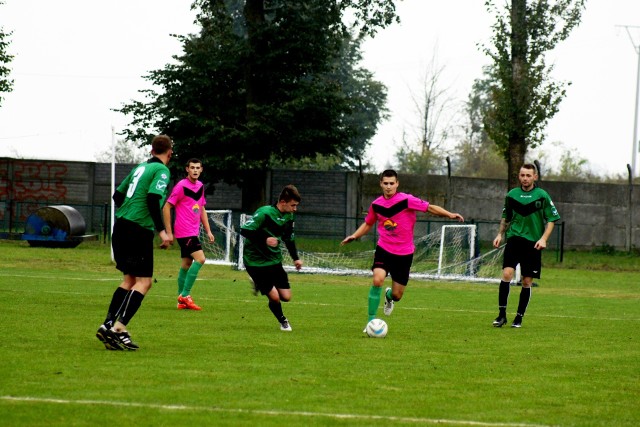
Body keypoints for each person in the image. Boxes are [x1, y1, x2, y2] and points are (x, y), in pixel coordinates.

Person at [341, 169, 464, 331]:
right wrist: (354, 236)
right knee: (377, 279)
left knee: (398, 295)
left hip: (404, 253)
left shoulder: (406, 200)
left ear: (397, 184)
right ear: (381, 184)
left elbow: (430, 208)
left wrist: (449, 214)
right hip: (384, 248)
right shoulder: (376, 204)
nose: (388, 187)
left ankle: (389, 296)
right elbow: (368, 223)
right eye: (385, 183)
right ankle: (370, 322)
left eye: (392, 183)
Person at [95, 135, 173, 351]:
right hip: (138, 229)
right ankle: (119, 329)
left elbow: (117, 196)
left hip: (121, 226)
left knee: (129, 280)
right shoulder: (161, 171)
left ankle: (108, 324)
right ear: (170, 153)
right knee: (144, 282)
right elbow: (152, 198)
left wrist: (131, 207)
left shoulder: (139, 168)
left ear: (151, 151)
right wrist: (162, 231)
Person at [492, 163, 561, 328]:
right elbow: (505, 217)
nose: (525, 178)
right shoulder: (512, 195)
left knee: (526, 281)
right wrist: (500, 234)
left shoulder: (542, 195)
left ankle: (519, 317)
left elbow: (551, 219)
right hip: (514, 239)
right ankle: (501, 315)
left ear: (535, 177)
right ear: (519, 176)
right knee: (507, 274)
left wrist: (543, 238)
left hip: (533, 243)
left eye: (528, 175)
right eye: (522, 175)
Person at [239, 185, 303, 331]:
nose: (295, 209)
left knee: (286, 297)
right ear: (283, 202)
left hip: (274, 260)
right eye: (293, 205)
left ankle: (258, 283)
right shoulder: (264, 213)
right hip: (255, 261)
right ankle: (283, 322)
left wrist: (295, 258)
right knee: (274, 297)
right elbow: (244, 230)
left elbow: (289, 238)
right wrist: (265, 239)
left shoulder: (289, 216)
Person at [162, 158, 215, 311]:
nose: (195, 170)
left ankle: (181, 301)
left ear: (201, 169)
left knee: (186, 264)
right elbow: (166, 207)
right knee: (200, 259)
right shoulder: (181, 186)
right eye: (192, 167)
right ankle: (185, 295)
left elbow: (202, 209)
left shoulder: (200, 186)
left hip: (193, 231)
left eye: (198, 168)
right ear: (187, 169)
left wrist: (208, 230)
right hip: (184, 231)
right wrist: (169, 232)